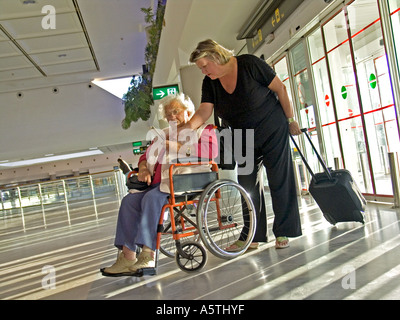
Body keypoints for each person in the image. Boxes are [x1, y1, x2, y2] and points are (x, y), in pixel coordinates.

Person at [185, 39, 303, 249]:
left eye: (205, 66)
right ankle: (253, 236)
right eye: (201, 68)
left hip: (271, 129)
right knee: (248, 185)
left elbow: (281, 89)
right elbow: (205, 110)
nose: (204, 71)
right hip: (241, 136)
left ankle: (283, 231)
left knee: (279, 180)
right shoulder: (210, 82)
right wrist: (187, 128)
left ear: (215, 57)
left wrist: (290, 119)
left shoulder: (249, 64)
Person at [101, 93, 218, 276]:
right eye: (168, 114)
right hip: (158, 184)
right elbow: (144, 157)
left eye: (176, 111)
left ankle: (148, 254)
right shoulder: (163, 134)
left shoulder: (204, 129)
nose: (171, 116)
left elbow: (209, 153)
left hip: (184, 181)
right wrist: (143, 168)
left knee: (151, 198)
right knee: (129, 201)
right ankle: (127, 257)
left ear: (189, 112)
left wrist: (176, 147)